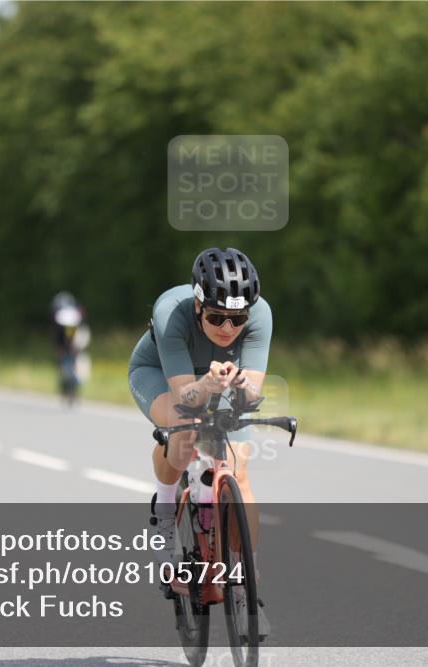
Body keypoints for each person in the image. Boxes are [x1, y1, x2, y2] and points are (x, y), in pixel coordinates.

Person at [128, 247, 272, 637]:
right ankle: (164, 512)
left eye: (237, 319)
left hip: (218, 381)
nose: (228, 328)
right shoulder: (170, 313)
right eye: (216, 317)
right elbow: (185, 398)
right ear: (197, 306)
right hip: (161, 375)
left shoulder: (261, 314)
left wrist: (241, 386)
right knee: (185, 428)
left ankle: (244, 584)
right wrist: (206, 384)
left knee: (239, 472)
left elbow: (253, 397)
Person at [50, 292, 90, 404]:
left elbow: (81, 334)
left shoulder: (74, 316)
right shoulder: (62, 318)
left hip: (75, 344)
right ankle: (66, 390)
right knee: (65, 369)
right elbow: (59, 336)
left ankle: (72, 392)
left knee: (75, 370)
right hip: (67, 344)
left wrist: (76, 347)